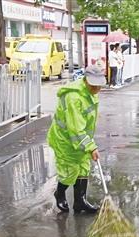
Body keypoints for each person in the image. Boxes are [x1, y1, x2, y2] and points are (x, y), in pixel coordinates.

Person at [48, 64, 106, 214]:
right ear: (86, 80)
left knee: (83, 167)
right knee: (69, 171)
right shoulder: (73, 97)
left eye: (99, 85)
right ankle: (59, 194)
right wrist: (91, 147)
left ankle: (80, 201)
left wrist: (88, 144)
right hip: (64, 139)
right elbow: (75, 128)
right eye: (94, 85)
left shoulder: (90, 92)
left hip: (80, 139)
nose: (97, 89)